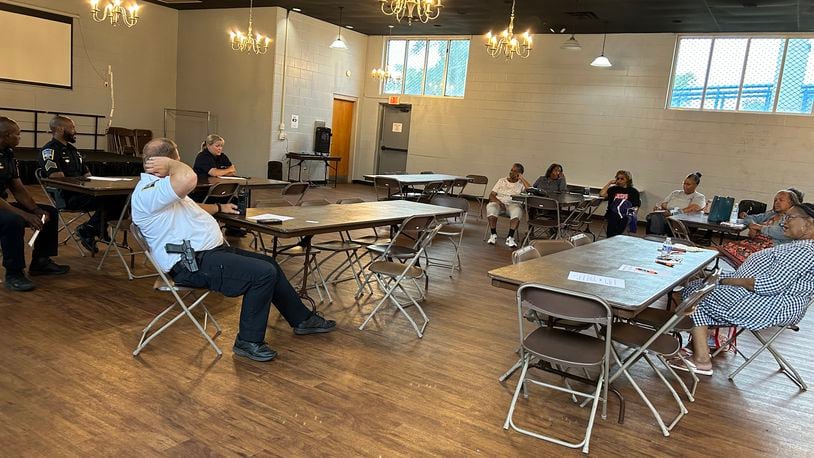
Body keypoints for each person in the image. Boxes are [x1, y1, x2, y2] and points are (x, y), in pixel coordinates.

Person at [131, 138, 335, 362]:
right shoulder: (149, 191)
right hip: (190, 264)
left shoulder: (163, 189)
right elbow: (188, 177)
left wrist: (219, 207)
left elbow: (191, 205)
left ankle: (302, 319)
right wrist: (172, 165)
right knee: (262, 274)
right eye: (177, 157)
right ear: (167, 161)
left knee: (270, 265)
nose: (181, 161)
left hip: (207, 254)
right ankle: (248, 341)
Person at [671, 202, 814, 376]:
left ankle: (701, 359)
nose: (784, 222)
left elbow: (770, 285)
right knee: (699, 287)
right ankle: (698, 345)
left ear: (809, 223)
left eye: (790, 217)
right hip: (763, 299)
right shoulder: (799, 246)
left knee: (697, 294)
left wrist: (728, 281)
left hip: (770, 305)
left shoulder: (805, 250)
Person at [0, 117, 69, 291]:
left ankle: (41, 262)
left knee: (49, 212)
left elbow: (18, 188)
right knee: (12, 221)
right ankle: (14, 273)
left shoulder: (7, 153)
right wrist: (24, 215)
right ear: (5, 136)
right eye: (17, 134)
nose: (19, 137)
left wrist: (35, 210)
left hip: (2, 205)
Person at [38, 115, 125, 253]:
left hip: (86, 193)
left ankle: (92, 228)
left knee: (122, 196)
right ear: (60, 129)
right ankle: (92, 229)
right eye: (72, 128)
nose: (75, 131)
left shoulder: (74, 151)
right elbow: (56, 177)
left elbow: (88, 175)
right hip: (67, 197)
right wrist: (81, 182)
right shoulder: (49, 151)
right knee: (112, 199)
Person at [486, 163, 530, 248]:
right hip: (499, 203)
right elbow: (491, 195)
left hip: (513, 204)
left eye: (515, 171)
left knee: (517, 212)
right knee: (491, 208)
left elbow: (530, 190)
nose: (511, 172)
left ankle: (510, 237)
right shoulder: (501, 180)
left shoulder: (521, 184)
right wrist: (499, 202)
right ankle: (493, 234)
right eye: (511, 170)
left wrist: (521, 178)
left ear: (519, 173)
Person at [600, 170, 641, 238]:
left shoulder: (633, 191)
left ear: (627, 180)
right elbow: (602, 194)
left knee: (623, 218)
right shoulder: (613, 189)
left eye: (622, 179)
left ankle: (615, 236)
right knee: (614, 217)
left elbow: (636, 206)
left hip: (625, 214)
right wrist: (609, 183)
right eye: (618, 178)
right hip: (612, 213)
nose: (619, 180)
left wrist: (632, 214)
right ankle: (612, 237)